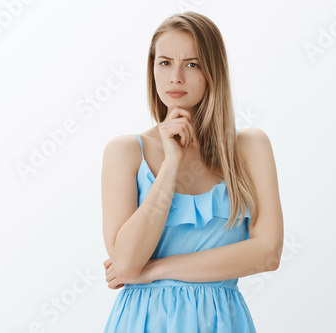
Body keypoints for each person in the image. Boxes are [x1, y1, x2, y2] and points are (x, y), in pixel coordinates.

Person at [101, 11, 284, 333]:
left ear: (213, 71)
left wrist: (155, 269)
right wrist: (171, 165)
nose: (176, 77)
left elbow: (267, 254)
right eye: (165, 62)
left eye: (192, 64)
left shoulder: (249, 147)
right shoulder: (126, 151)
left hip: (222, 322)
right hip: (143, 322)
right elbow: (127, 263)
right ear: (152, 69)